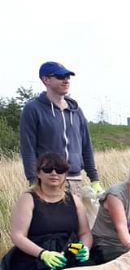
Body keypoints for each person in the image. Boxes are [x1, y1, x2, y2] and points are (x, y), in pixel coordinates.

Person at [1, 152, 92, 270]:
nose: (54, 173)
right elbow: (18, 236)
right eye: (48, 169)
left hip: (68, 254)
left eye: (60, 170)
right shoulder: (28, 199)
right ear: (38, 173)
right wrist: (43, 254)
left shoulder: (75, 200)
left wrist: (85, 248)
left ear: (65, 174)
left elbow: (85, 233)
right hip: (35, 257)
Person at [19, 62, 102, 194]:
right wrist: (33, 181)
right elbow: (27, 148)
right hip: (48, 181)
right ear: (46, 80)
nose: (66, 80)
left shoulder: (76, 111)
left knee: (78, 215)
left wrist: (94, 179)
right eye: (60, 76)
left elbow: (86, 146)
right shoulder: (33, 109)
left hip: (75, 180)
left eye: (68, 77)